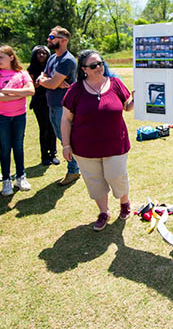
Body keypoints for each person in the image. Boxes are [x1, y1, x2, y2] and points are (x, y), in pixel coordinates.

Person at [61, 50, 134, 231]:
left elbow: (127, 107)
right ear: (84, 69)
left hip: (116, 143)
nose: (99, 67)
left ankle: (124, 202)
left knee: (116, 175)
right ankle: (104, 212)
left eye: (100, 63)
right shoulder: (75, 90)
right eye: (93, 65)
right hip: (85, 147)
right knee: (94, 181)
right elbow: (66, 119)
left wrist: (137, 97)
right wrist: (66, 145)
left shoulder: (115, 83)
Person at [0, 45, 34, 196]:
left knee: (18, 146)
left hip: (19, 115)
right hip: (1, 116)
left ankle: (20, 177)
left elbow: (31, 91)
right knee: (5, 147)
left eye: (1, 57)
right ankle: (6, 180)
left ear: (11, 57)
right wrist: (20, 94)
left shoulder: (22, 73)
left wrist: (7, 91)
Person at [36, 27, 80, 186]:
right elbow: (45, 76)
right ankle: (77, 165)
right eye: (50, 36)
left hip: (64, 106)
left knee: (65, 139)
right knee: (62, 138)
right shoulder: (53, 58)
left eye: (52, 37)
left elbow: (51, 83)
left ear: (64, 40)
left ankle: (74, 170)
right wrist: (48, 80)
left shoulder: (67, 60)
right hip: (52, 104)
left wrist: (48, 82)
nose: (49, 39)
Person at [27, 46, 58, 166]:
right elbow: (32, 87)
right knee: (44, 128)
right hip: (39, 102)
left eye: (44, 53)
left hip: (51, 100)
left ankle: (53, 154)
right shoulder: (31, 69)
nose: (41, 55)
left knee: (53, 128)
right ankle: (44, 155)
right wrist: (40, 81)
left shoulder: (52, 67)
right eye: (38, 53)